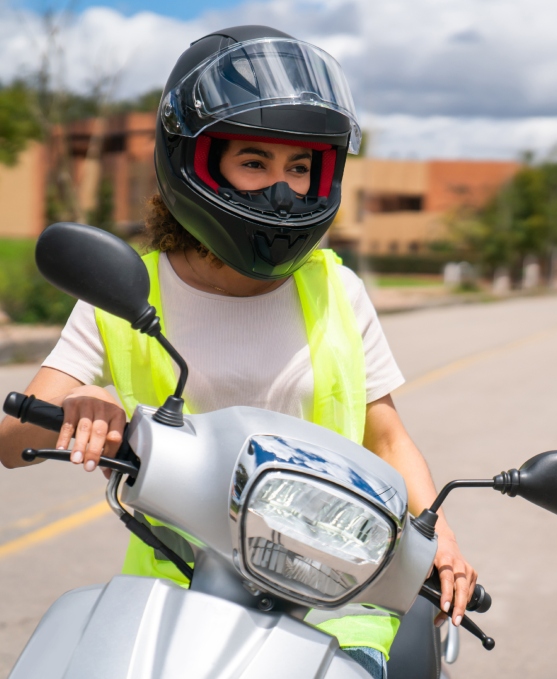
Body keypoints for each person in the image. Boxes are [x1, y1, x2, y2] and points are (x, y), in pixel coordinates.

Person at [0, 25, 473, 679]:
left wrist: (438, 533)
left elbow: (388, 437)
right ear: (194, 158)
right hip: (174, 593)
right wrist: (88, 403)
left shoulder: (336, 289)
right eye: (254, 162)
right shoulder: (128, 289)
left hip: (337, 595)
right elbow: (12, 437)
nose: (282, 190)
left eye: (300, 167)